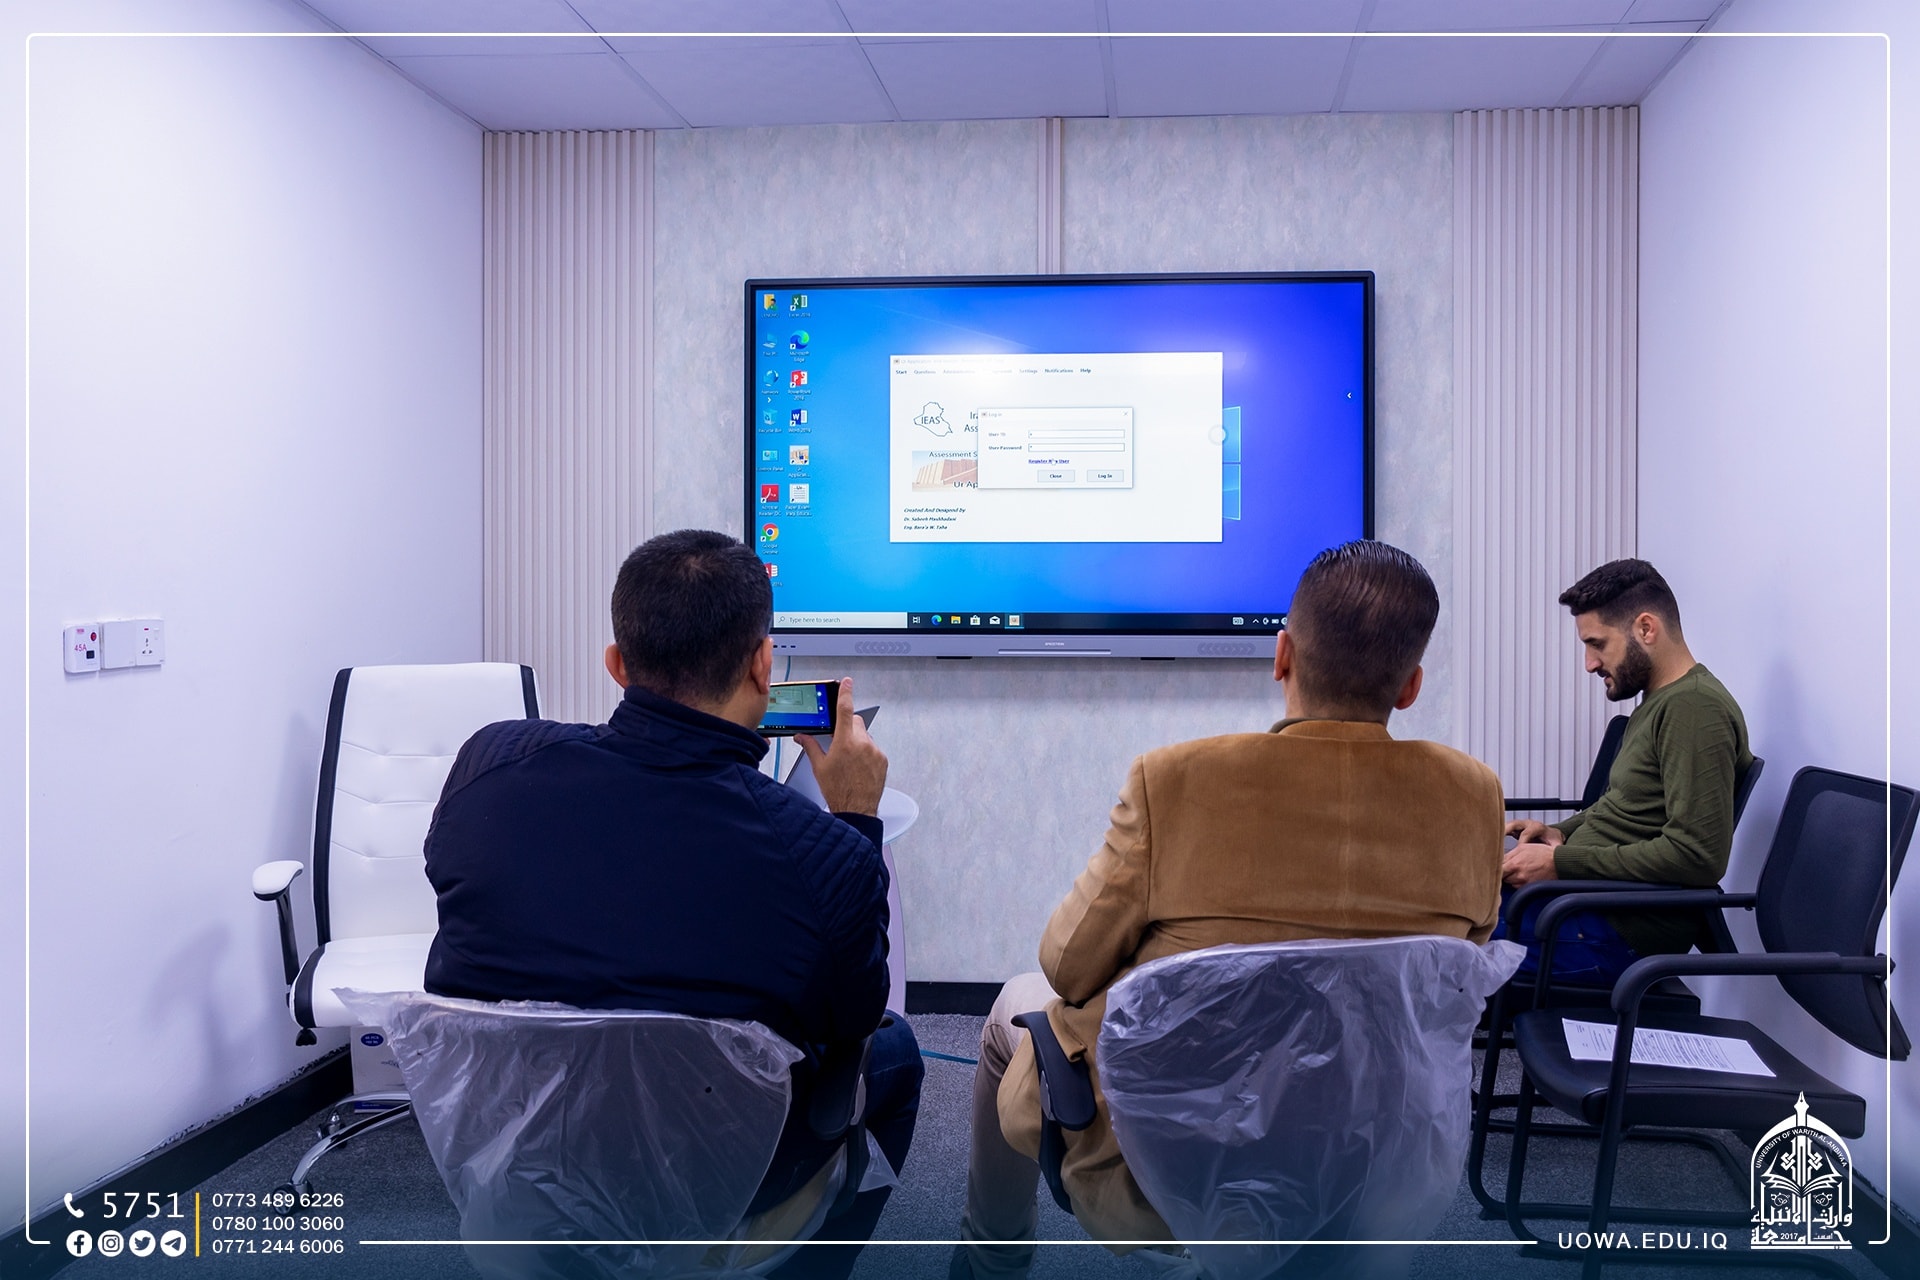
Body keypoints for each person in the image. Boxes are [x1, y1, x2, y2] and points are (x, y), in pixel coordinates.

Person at [953, 540, 1505, 1277]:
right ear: (1410, 687)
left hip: (1168, 1168)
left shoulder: (1175, 779)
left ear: (1282, 655)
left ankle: (989, 1262)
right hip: (1367, 1173)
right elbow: (1450, 979)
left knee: (1013, 1007)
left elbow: (1067, 965)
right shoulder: (1473, 797)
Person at [422, 529, 922, 1280]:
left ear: (618, 665)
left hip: (527, 1158)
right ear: (763, 666)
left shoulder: (486, 767)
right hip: (725, 1179)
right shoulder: (824, 857)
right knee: (895, 1052)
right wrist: (854, 820)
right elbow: (853, 1016)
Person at [1500, 558, 1754, 985]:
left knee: (1444, 944)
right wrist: (1561, 833)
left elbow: (1698, 856)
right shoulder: (1660, 701)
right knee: (1448, 907)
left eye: (1597, 644)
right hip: (1587, 906)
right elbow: (1623, 805)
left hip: (1615, 934)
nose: (1589, 663)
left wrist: (1562, 863)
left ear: (1646, 629)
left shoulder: (1695, 709)